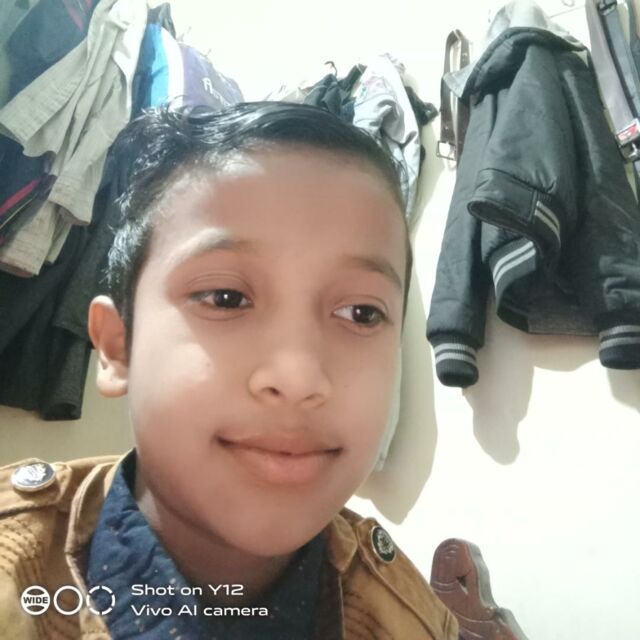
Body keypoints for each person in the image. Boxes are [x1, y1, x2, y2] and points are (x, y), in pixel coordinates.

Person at [0, 102, 459, 639]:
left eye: (361, 313)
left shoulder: (419, 623)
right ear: (119, 347)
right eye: (225, 298)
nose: (298, 377)